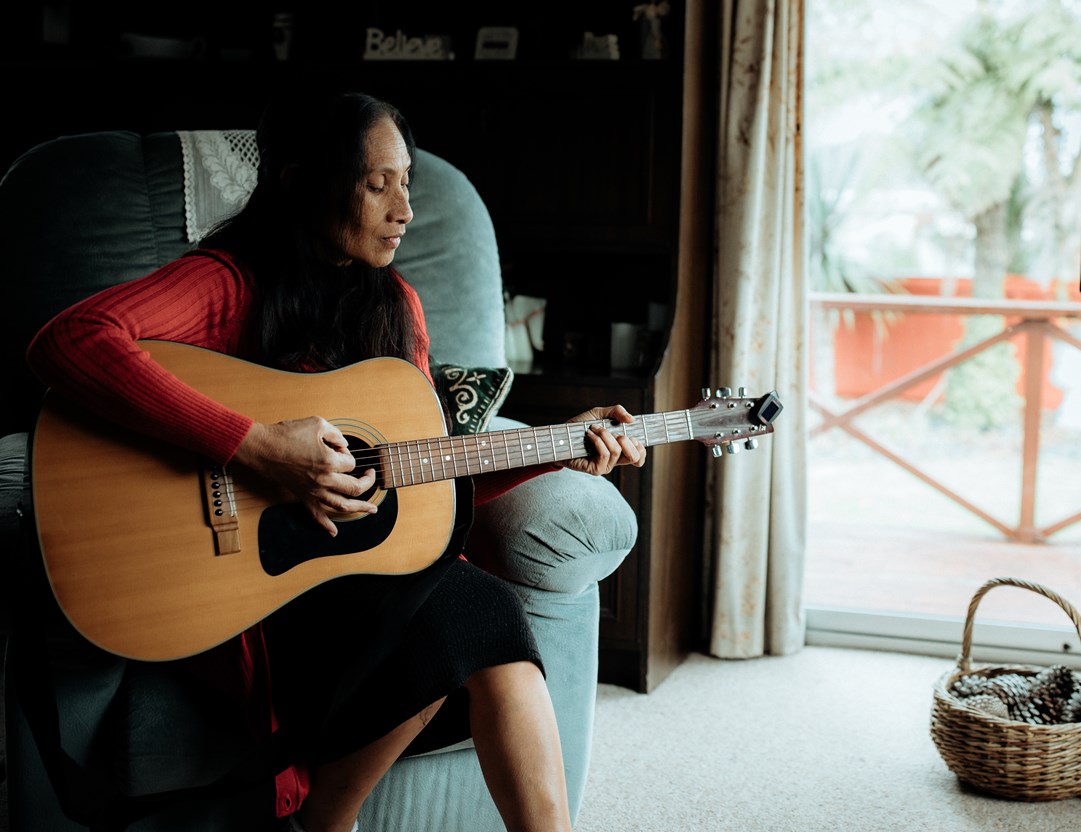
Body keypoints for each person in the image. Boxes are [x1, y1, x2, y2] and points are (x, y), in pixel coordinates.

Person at [25, 86, 646, 832]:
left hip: (371, 577)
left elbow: (425, 473)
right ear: (301, 181)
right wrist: (253, 448)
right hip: (264, 592)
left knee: (482, 615)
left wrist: (558, 451)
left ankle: (332, 817)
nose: (405, 211)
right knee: (475, 613)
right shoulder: (228, 283)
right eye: (377, 184)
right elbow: (68, 341)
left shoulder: (398, 305)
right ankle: (328, 816)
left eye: (408, 182)